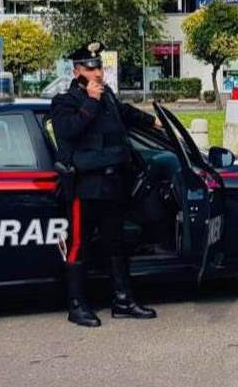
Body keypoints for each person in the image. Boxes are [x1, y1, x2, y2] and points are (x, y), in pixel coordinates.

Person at [50, 41, 159, 327]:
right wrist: (90, 101)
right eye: (90, 68)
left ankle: (123, 301)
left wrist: (154, 122)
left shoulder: (108, 96)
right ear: (77, 71)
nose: (97, 73)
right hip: (84, 187)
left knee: (116, 245)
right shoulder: (65, 101)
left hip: (112, 186)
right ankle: (77, 306)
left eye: (99, 67)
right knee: (79, 245)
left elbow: (126, 114)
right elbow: (68, 131)